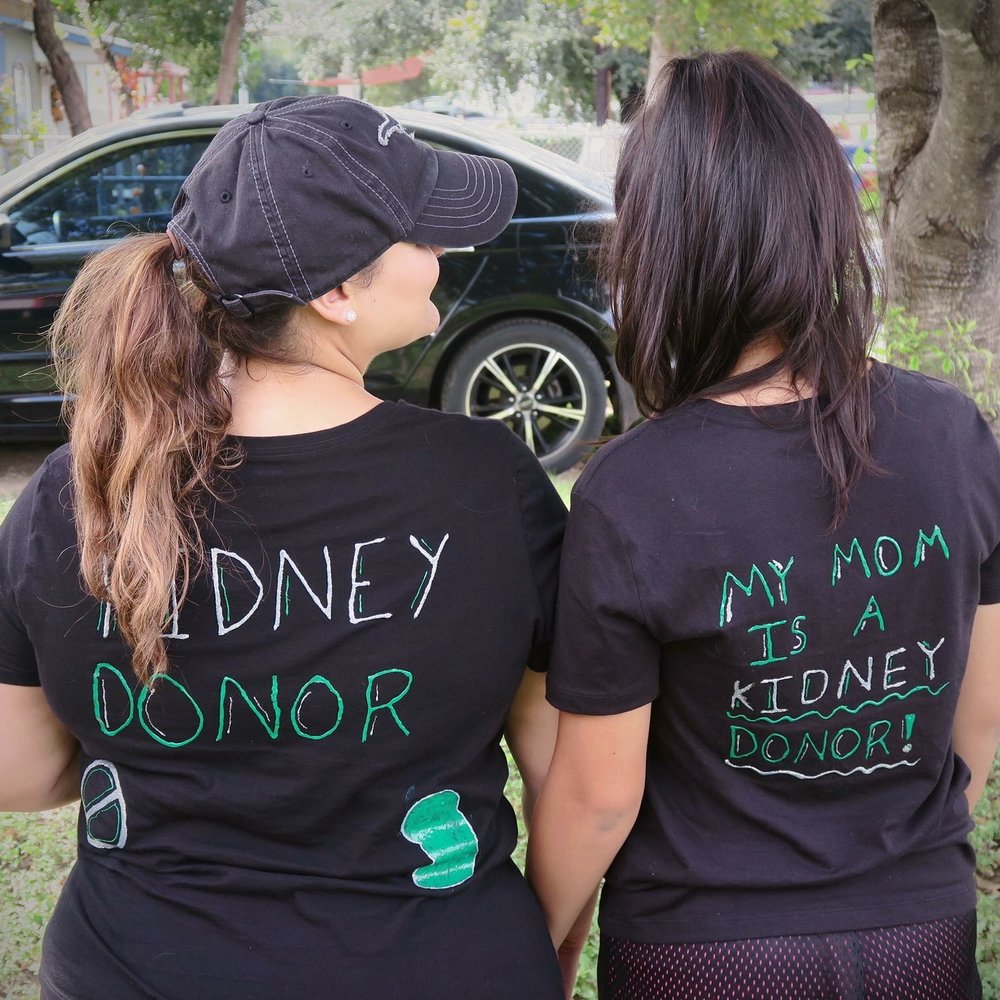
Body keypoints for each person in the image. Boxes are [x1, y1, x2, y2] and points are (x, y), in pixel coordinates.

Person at [0, 95, 566, 999]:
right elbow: (559, 767)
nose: (445, 254)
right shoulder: (490, 482)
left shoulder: (77, 486)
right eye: (424, 235)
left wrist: (177, 760)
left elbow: (17, 769)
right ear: (338, 292)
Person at [527, 51, 1000, 1000]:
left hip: (704, 951)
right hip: (921, 934)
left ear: (660, 243)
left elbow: (598, 797)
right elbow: (976, 723)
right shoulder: (952, 431)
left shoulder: (633, 488)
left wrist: (541, 951)